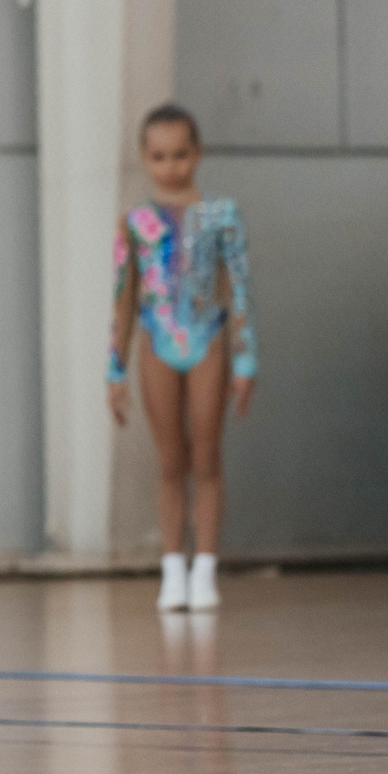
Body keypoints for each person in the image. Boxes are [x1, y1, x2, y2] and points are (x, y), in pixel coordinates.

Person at [108, 104, 256, 612]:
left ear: (198, 153)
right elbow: (124, 297)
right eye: (158, 157)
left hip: (207, 341)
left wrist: (246, 359)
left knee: (206, 457)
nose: (170, 166)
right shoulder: (136, 221)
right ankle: (172, 567)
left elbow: (236, 288)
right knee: (172, 460)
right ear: (144, 159)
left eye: (180, 154)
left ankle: (205, 567)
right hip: (158, 343)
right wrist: (114, 369)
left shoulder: (221, 214)